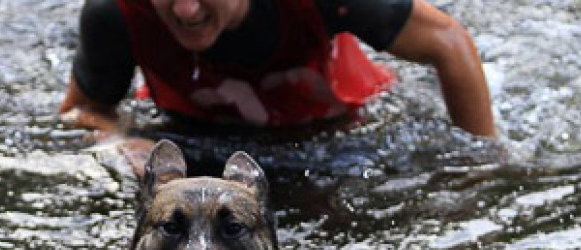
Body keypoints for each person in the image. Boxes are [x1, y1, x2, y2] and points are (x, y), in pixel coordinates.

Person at [60, 0, 496, 174]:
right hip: (192, 139)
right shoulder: (115, 14)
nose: (186, 9)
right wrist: (117, 141)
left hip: (338, 137)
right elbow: (81, 111)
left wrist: (477, 166)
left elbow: (449, 42)